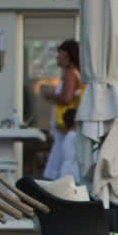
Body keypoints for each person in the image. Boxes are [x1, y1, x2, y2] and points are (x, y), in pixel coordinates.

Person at [42, 39, 84, 182]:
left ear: (67, 55)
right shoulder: (77, 72)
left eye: (59, 53)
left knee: (59, 170)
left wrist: (51, 95)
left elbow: (67, 98)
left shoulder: (70, 72)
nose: (57, 57)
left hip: (66, 130)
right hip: (67, 129)